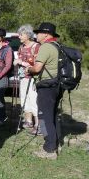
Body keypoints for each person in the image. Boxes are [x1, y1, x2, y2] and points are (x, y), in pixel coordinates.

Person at [26, 22, 62, 160]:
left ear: (46, 34)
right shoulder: (57, 45)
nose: (36, 35)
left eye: (39, 32)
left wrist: (28, 69)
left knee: (44, 117)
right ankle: (55, 143)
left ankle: (49, 150)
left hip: (46, 87)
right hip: (56, 85)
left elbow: (36, 69)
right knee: (52, 115)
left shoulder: (46, 47)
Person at [13, 24, 41, 134]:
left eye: (21, 34)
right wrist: (17, 62)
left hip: (33, 79)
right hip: (23, 78)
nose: (19, 36)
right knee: (24, 99)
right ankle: (28, 121)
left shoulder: (36, 47)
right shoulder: (21, 47)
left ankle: (38, 125)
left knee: (34, 101)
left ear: (28, 35)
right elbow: (19, 59)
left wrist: (22, 63)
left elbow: (38, 64)